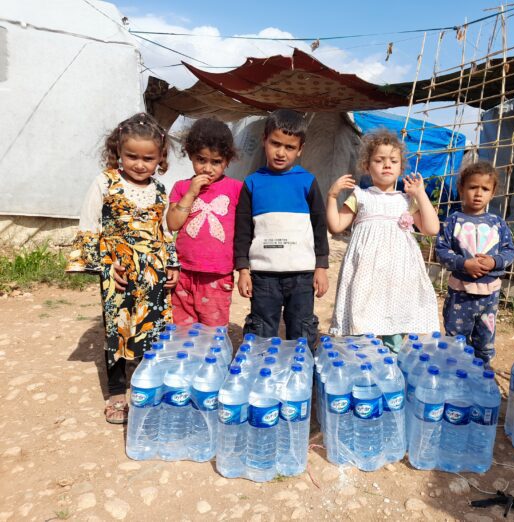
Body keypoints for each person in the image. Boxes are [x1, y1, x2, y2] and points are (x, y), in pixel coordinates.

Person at [66, 112, 179, 424]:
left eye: (148, 158)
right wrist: (105, 266)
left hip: (153, 274)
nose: (139, 164)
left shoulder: (159, 189)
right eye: (132, 156)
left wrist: (172, 264)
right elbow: (89, 226)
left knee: (152, 330)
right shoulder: (106, 182)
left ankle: (146, 387)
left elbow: (164, 230)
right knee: (119, 331)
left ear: (160, 158)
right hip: (119, 274)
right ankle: (117, 393)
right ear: (118, 152)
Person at [327, 129, 440, 352]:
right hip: (365, 272)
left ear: (400, 168)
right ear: (367, 166)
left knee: (394, 318)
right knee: (361, 316)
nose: (386, 165)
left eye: (393, 161)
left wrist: (420, 194)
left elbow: (431, 228)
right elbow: (336, 225)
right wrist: (331, 196)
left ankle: (392, 363)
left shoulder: (406, 199)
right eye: (379, 160)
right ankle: (362, 360)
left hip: (398, 273)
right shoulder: (360, 196)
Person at [234, 109, 329, 349]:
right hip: (264, 275)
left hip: (302, 275)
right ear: (265, 139)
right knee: (262, 331)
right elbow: (243, 229)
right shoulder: (252, 183)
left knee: (302, 331)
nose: (281, 152)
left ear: (300, 149)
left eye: (289, 147)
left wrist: (321, 266)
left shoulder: (307, 181)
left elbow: (320, 226)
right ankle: (262, 375)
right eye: (275, 143)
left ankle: (301, 375)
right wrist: (243, 269)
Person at [435, 161, 514, 366]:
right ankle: (455, 374)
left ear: (493, 192)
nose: (478, 194)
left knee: (485, 341)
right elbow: (441, 251)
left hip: (489, 296)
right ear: (461, 188)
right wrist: (463, 264)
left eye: (485, 189)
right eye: (472, 187)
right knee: (455, 339)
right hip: (460, 294)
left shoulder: (498, 223)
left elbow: (509, 252)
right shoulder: (453, 221)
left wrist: (494, 262)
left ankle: (482, 375)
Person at [167, 118, 243, 327]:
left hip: (217, 274)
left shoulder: (236, 189)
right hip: (184, 273)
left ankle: (213, 360)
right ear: (190, 155)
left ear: (227, 161)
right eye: (201, 160)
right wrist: (191, 193)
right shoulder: (181, 187)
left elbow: (247, 228)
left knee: (213, 329)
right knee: (183, 329)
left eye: (216, 162)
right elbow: (173, 223)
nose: (207, 168)